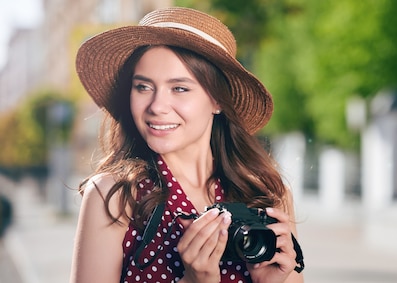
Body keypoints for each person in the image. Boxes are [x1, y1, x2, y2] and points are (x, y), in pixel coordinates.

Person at [70, 7, 304, 283]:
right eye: (143, 87)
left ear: (218, 101)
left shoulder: (266, 193)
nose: (156, 106)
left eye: (179, 88)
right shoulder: (115, 196)